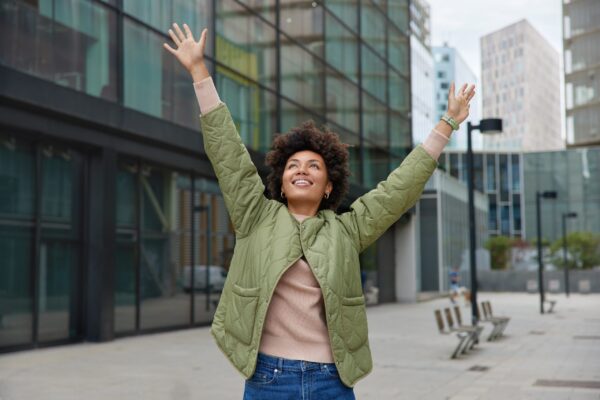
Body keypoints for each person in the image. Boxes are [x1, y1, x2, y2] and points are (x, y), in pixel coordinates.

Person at [164, 23, 475, 399]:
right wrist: (199, 71)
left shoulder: (346, 230)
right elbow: (227, 152)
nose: (302, 171)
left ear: (329, 186)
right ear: (280, 182)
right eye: (293, 165)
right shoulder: (255, 215)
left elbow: (398, 190)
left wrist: (447, 124)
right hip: (268, 378)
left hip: (332, 380)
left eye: (314, 166)